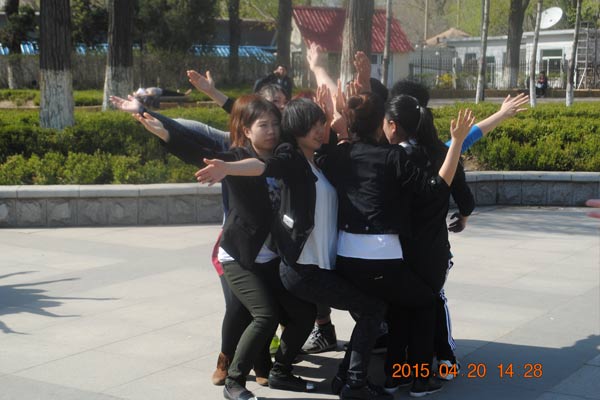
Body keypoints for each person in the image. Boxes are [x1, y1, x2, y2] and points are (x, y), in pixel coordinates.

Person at [195, 94, 391, 400]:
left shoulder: (320, 160)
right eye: (311, 125)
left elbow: (352, 137)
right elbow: (262, 165)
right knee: (368, 309)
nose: (319, 130)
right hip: (301, 266)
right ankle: (350, 381)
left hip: (318, 265)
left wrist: (337, 115)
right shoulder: (291, 158)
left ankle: (282, 372)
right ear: (296, 129)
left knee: (304, 315)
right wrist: (228, 168)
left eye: (321, 123)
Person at [316, 90, 473, 398]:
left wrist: (334, 125)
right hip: (381, 258)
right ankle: (420, 380)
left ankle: (382, 377)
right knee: (425, 302)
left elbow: (323, 155)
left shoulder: (340, 155)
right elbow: (435, 190)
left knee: (389, 307)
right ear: (383, 124)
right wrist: (455, 143)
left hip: (344, 259)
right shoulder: (392, 157)